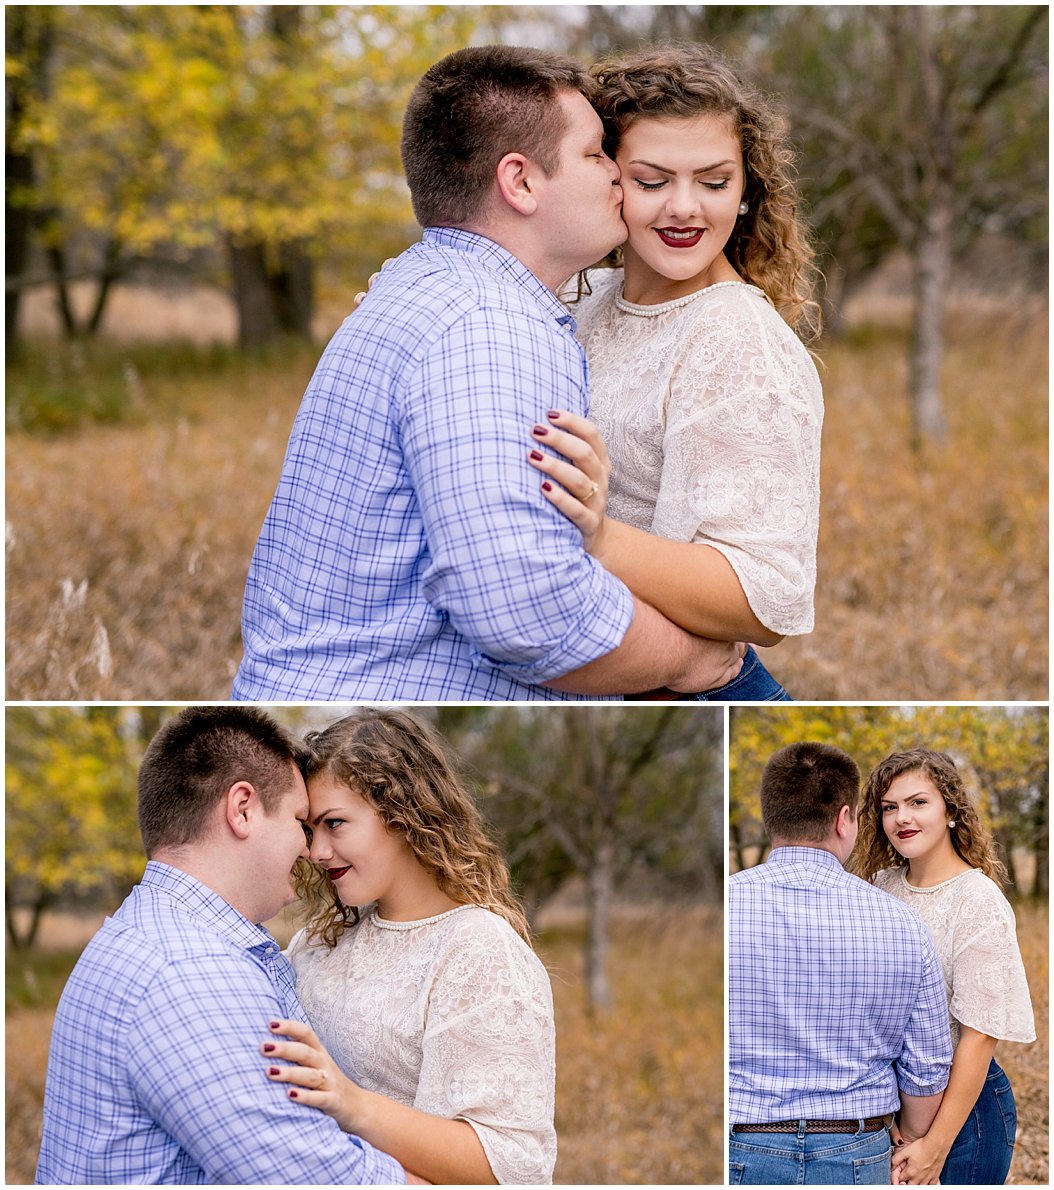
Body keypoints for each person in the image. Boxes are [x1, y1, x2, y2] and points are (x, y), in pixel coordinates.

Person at [232, 44, 744, 701]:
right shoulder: (489, 328)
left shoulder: (431, 286)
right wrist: (682, 660)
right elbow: (524, 607)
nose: (617, 174)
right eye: (594, 154)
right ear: (520, 181)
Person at [526, 44, 823, 701]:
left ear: (747, 190)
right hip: (615, 677)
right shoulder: (592, 302)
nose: (685, 207)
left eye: (714, 182)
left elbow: (764, 597)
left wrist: (600, 537)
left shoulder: (739, 343)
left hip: (704, 693)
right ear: (606, 181)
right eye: (652, 180)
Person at [35, 707, 415, 1186]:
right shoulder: (195, 972)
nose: (309, 850)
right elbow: (323, 1180)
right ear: (242, 810)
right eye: (300, 822)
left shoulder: (144, 931)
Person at [256, 709, 556, 1185]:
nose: (315, 852)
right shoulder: (321, 939)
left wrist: (352, 1105)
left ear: (403, 814)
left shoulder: (478, 950)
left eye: (335, 824)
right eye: (310, 829)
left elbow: (509, 1166)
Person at [728, 741, 953, 1185]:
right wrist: (908, 1139)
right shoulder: (901, 921)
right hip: (859, 1152)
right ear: (844, 818)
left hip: (738, 1148)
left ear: (770, 817)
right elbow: (927, 1064)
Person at [851, 748, 1036, 1186]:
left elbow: (980, 1035)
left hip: (963, 1110)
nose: (901, 818)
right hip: (890, 1105)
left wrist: (935, 1146)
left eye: (918, 802)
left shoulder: (977, 901)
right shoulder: (879, 888)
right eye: (889, 807)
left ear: (951, 811)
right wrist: (886, 1113)